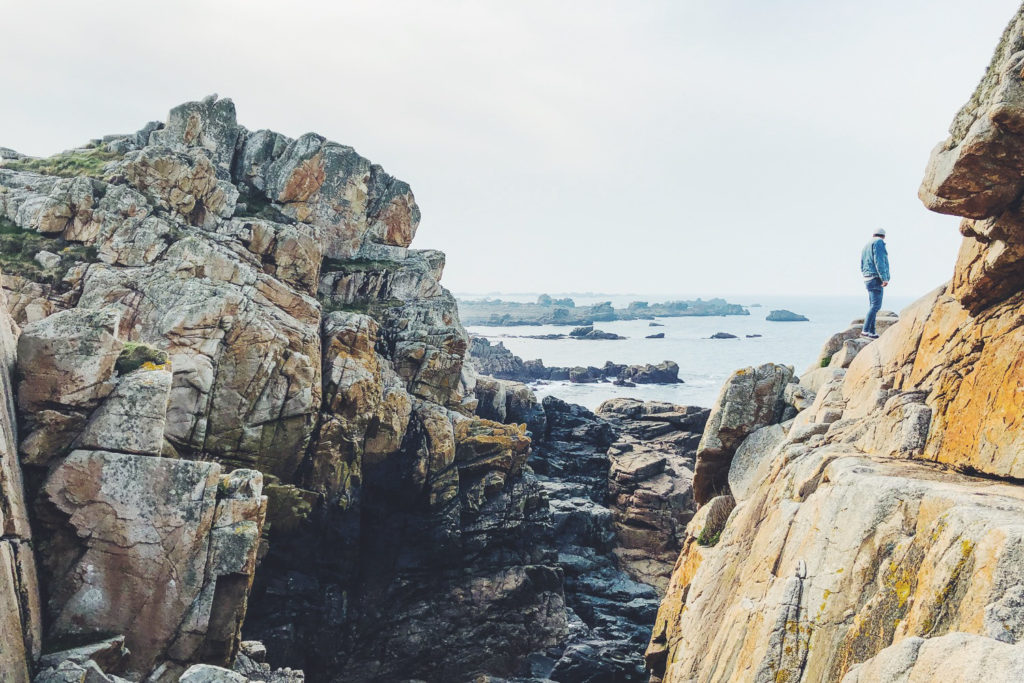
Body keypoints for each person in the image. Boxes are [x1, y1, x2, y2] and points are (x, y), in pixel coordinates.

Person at [860, 228, 889, 339]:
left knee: (873, 305)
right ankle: (865, 330)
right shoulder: (879, 242)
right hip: (876, 277)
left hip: (867, 278)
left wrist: (865, 275)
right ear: (883, 236)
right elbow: (879, 260)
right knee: (876, 306)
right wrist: (884, 278)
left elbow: (862, 263)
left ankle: (872, 332)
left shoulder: (866, 245)